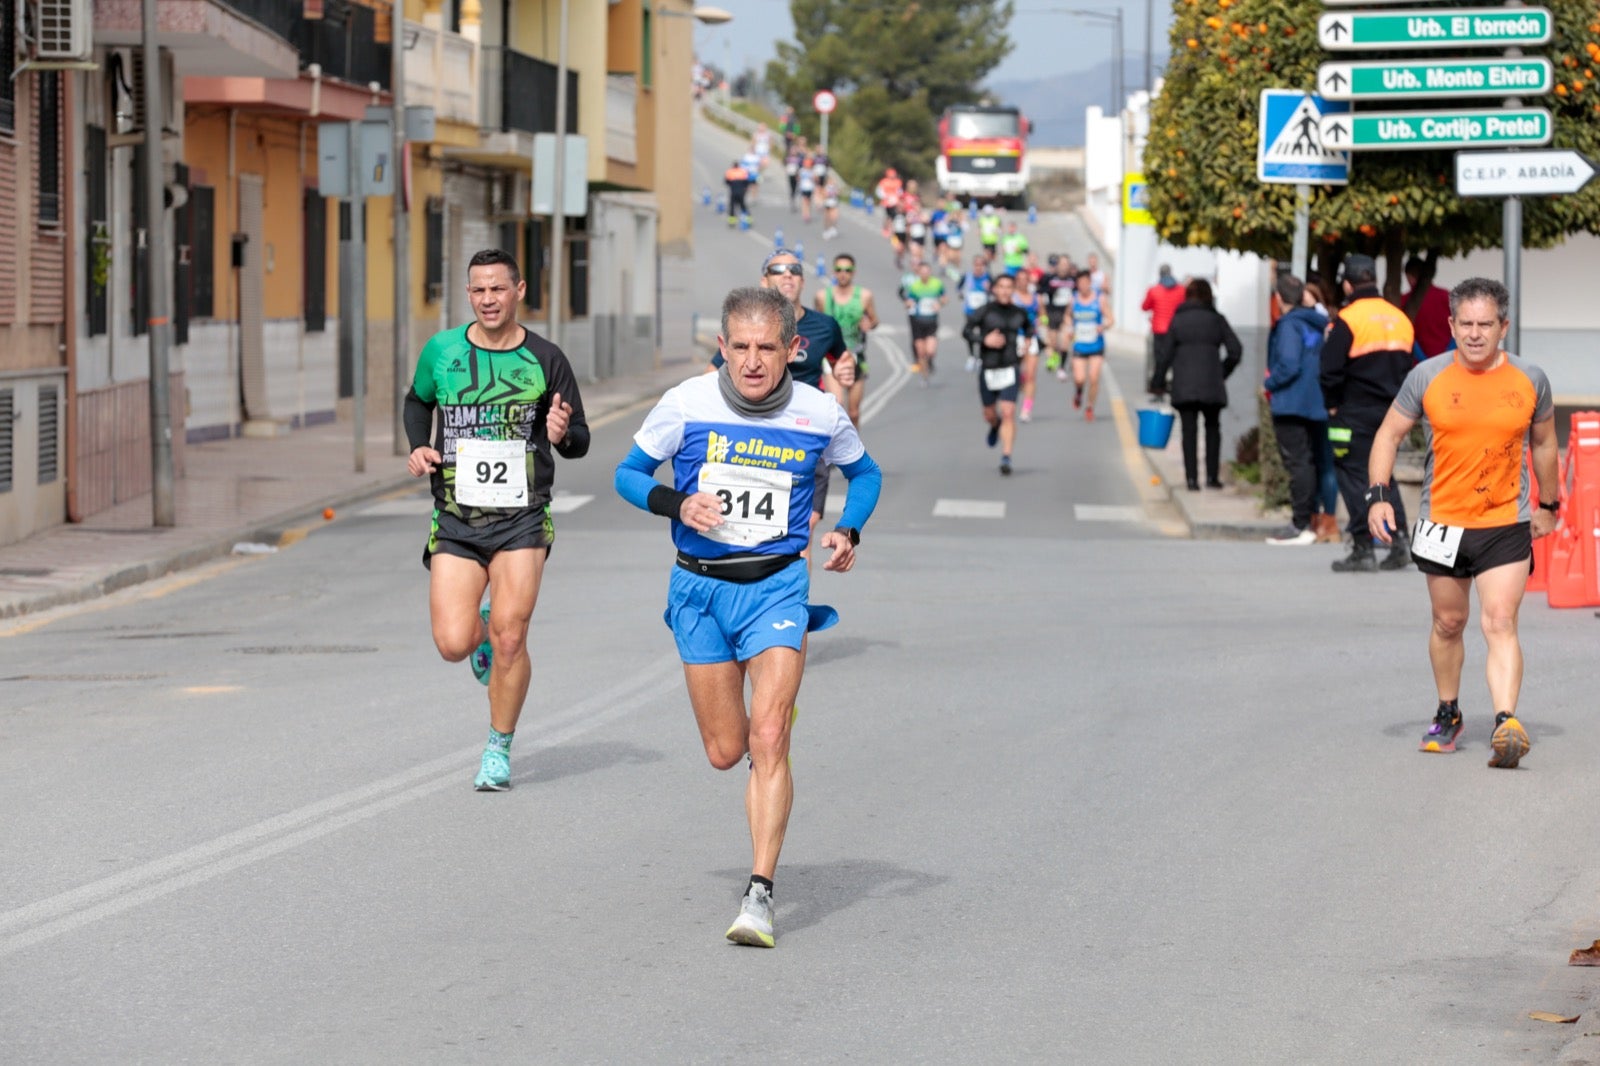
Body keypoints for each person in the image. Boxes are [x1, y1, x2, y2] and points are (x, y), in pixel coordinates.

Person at [613, 286, 883, 947]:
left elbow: (866, 474)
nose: (754, 362)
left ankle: (759, 893)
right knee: (725, 750)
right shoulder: (687, 403)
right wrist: (675, 503)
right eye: (741, 348)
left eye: (769, 348)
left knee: (768, 738)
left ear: (795, 350)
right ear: (723, 348)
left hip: (777, 587)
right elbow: (626, 473)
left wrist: (849, 530)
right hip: (700, 590)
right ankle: (764, 728)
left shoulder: (820, 413)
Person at [403, 248, 590, 791]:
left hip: (523, 517)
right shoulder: (442, 350)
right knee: (453, 643)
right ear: (469, 294)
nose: (488, 299)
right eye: (478, 290)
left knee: (512, 638)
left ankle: (498, 747)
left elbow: (578, 439)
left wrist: (561, 434)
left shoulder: (546, 359)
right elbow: (417, 403)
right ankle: (480, 634)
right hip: (457, 518)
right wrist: (419, 446)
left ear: (519, 290)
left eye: (498, 289)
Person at [1364, 277, 1558, 767]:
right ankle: (1448, 711)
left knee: (1500, 620)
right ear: (1451, 324)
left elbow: (1544, 445)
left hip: (1503, 523)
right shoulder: (1426, 376)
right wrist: (1379, 497)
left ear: (1504, 327)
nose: (1474, 334)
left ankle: (1504, 722)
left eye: (1485, 325)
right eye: (1465, 324)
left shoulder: (1529, 379)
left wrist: (1549, 506)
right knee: (1448, 622)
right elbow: (1388, 434)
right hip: (1442, 523)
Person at [1320, 253, 1415, 572]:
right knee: (1383, 474)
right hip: (1393, 412)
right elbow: (1408, 370)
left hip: (1352, 411)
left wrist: (1332, 404)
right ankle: (1399, 541)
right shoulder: (1399, 317)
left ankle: (1363, 546)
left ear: (1347, 284)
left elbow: (1329, 370)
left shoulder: (1347, 319)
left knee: (1352, 473)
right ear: (1373, 279)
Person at [1150, 278, 1242, 490]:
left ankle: (1191, 480)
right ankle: (1212, 477)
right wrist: (1221, 373)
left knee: (1188, 432)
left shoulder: (1179, 320)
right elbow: (1235, 350)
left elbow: (1165, 355)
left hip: (1184, 385)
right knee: (1212, 428)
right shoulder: (1217, 320)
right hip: (1212, 383)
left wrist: (1158, 381)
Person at [1263, 274, 1330, 544]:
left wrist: (1269, 382)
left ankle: (1300, 523)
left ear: (1278, 298)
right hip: (1317, 401)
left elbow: (1289, 364)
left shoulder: (1289, 325)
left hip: (1291, 402)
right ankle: (1311, 519)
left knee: (1298, 463)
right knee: (1312, 461)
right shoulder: (1318, 322)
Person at [962, 272, 1031, 475]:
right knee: (990, 414)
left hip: (1010, 368)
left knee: (1009, 412)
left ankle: (1006, 457)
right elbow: (966, 331)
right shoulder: (984, 311)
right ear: (994, 289)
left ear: (1013, 290)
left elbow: (1029, 329)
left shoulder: (1020, 312)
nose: (1005, 290)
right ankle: (995, 425)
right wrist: (984, 340)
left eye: (1009, 287)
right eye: (1001, 286)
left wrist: (1027, 341)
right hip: (989, 369)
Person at [1302, 279, 1342, 543]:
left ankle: (1326, 520)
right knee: (1320, 463)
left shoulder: (1320, 325)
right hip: (1320, 403)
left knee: (1324, 463)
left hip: (1322, 404)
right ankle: (1321, 520)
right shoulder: (1329, 323)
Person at [818, 253, 878, 424]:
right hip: (831, 357)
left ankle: (852, 448)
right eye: (839, 269)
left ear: (853, 272)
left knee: (853, 413)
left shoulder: (864, 296)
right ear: (834, 272)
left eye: (847, 270)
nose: (843, 273)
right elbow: (817, 323)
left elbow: (874, 320)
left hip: (856, 355)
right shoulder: (823, 296)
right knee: (836, 408)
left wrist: (869, 323)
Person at [1068, 269, 1114, 421]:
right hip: (1079, 345)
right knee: (1080, 378)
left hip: (1096, 345)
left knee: (1094, 378)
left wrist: (1104, 326)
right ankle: (1079, 391)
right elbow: (1067, 317)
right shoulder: (1074, 300)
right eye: (1080, 283)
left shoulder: (1099, 299)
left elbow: (1110, 319)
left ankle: (1089, 407)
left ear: (1090, 283)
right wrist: (1069, 328)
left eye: (1086, 283)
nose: (1083, 286)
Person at [1140, 263, 1187, 389]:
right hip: (1175, 329)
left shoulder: (1154, 290)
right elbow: (1184, 306)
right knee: (1174, 358)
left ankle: (1158, 386)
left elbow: (1144, 307)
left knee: (1159, 359)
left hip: (1159, 329)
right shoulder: (1181, 290)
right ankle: (1175, 384)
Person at [903, 259, 948, 379]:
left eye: (926, 272)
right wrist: (908, 304)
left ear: (930, 272)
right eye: (922, 272)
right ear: (919, 273)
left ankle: (930, 361)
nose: (924, 274)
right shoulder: (915, 286)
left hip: (931, 321)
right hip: (918, 321)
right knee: (921, 352)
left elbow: (944, 298)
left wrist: (940, 303)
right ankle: (925, 376)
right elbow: (908, 300)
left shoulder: (937, 284)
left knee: (930, 351)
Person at [1402, 255, 1452, 360]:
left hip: (1418, 364)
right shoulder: (1446, 296)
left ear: (1410, 277)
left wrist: (1423, 359)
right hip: (1447, 360)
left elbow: (1405, 334)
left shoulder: (1405, 301)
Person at [959, 253, 993, 372]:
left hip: (984, 312)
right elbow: (959, 288)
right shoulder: (967, 276)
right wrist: (961, 295)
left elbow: (994, 291)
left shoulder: (988, 277)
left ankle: (981, 358)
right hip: (970, 311)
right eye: (976, 265)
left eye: (981, 265)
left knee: (984, 334)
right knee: (969, 333)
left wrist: (990, 289)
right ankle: (971, 357)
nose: (978, 267)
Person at [724, 158, 752, 228]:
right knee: (743, 206)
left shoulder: (730, 172)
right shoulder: (743, 171)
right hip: (741, 192)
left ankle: (732, 222)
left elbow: (726, 182)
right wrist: (745, 189)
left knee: (732, 207)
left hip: (734, 191)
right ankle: (748, 220)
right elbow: (747, 182)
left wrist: (732, 185)